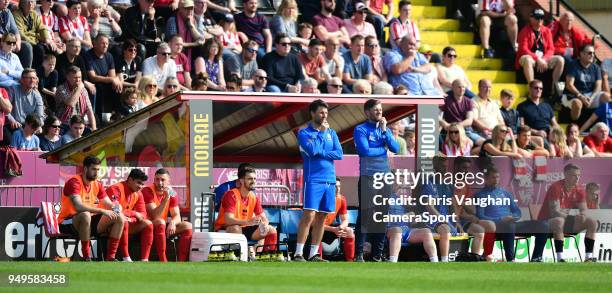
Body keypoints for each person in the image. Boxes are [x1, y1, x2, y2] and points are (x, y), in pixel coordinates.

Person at [294, 99, 343, 262]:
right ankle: (298, 253)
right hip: (313, 179)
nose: (324, 116)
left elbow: (339, 154)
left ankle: (314, 254)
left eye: (326, 113)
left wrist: (321, 152)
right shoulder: (304, 133)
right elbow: (312, 150)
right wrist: (322, 133)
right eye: (321, 113)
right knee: (309, 215)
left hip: (330, 180)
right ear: (313, 113)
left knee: (322, 217)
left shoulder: (332, 133)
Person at [354, 99, 399, 261]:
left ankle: (377, 255)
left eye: (380, 109)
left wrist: (386, 131)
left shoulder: (384, 130)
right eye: (375, 110)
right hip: (368, 177)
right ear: (367, 112)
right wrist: (382, 148)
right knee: (366, 214)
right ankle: (359, 253)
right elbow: (365, 151)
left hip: (384, 177)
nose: (379, 112)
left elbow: (396, 148)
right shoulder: (360, 129)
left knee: (381, 215)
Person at [57, 155, 125, 261]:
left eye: (98, 170)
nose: (96, 173)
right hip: (67, 222)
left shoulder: (97, 184)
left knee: (119, 217)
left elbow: (107, 203)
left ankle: (111, 257)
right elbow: (78, 206)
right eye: (93, 169)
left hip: (87, 222)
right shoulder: (74, 182)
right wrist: (102, 210)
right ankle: (86, 257)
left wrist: (116, 207)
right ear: (85, 169)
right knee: (85, 214)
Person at [475, 167, 548, 262]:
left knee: (542, 225)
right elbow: (481, 216)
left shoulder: (505, 193)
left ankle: (536, 258)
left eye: (497, 177)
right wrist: (501, 219)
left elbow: (517, 211)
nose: (496, 179)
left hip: (512, 224)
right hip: (496, 227)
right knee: (509, 225)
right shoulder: (480, 195)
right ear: (486, 179)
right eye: (493, 177)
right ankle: (511, 260)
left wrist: (514, 217)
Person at [214, 167, 277, 260]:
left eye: (255, 179)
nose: (253, 181)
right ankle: (237, 256)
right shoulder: (231, 194)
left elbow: (264, 217)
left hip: (245, 228)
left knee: (271, 230)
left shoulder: (254, 197)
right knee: (235, 228)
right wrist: (248, 222)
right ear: (242, 181)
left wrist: (264, 224)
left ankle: (267, 256)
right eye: (250, 179)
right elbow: (228, 220)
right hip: (225, 228)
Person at [538, 163, 598, 262]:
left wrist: (582, 215)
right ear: (565, 175)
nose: (577, 178)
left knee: (592, 222)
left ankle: (588, 257)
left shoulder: (579, 189)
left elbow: (584, 209)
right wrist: (573, 218)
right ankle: (560, 258)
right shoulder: (556, 187)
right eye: (574, 175)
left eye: (578, 175)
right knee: (559, 221)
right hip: (545, 222)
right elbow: (555, 212)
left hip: (566, 220)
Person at [143, 168, 193, 261]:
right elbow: (155, 215)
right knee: (160, 221)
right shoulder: (147, 191)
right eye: (157, 179)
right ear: (154, 180)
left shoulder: (172, 193)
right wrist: (166, 198)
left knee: (188, 225)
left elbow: (177, 215)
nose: (160, 182)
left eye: (163, 180)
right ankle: (163, 259)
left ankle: (182, 262)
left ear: (168, 181)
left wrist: (173, 222)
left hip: (161, 225)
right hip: (147, 225)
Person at [106, 169, 153, 262]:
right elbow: (115, 210)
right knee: (123, 220)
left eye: (142, 184)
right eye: (138, 183)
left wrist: (132, 219)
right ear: (130, 180)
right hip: (106, 222)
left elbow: (143, 214)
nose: (140, 186)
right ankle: (126, 257)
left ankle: (144, 260)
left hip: (123, 222)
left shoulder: (139, 193)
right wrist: (134, 213)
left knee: (148, 224)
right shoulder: (115, 188)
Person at [516, 9, 564, 95]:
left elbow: (551, 49)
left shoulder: (546, 31)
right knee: (527, 59)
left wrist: (544, 59)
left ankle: (554, 87)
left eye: (542, 18)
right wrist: (538, 59)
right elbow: (523, 49)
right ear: (531, 18)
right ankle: (532, 88)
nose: (540, 20)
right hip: (530, 57)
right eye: (537, 18)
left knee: (560, 59)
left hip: (543, 59)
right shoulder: (525, 31)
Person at [563, 44, 610, 121]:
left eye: (593, 53)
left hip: (590, 95)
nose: (592, 55)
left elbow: (598, 86)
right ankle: (573, 125)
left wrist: (592, 97)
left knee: (607, 97)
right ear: (581, 54)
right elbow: (569, 85)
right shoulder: (573, 65)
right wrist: (581, 96)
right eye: (589, 53)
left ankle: (604, 124)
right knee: (577, 103)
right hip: (573, 94)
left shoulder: (596, 67)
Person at [439, 79, 485, 146]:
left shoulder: (468, 101)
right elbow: (437, 116)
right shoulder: (446, 100)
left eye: (463, 87)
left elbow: (469, 120)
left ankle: (472, 154)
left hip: (466, 130)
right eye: (459, 87)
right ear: (453, 88)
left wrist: (456, 126)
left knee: (484, 143)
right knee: (469, 143)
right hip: (452, 132)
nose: (462, 89)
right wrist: (445, 124)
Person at [84, 34, 122, 114]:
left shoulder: (109, 56)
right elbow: (92, 77)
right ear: (95, 44)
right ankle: (99, 118)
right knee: (99, 88)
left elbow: (112, 75)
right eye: (102, 43)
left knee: (118, 86)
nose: (105, 46)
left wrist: (115, 80)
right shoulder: (88, 55)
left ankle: (117, 114)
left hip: (105, 82)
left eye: (107, 44)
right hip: (93, 84)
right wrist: (112, 79)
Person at [320, 177, 354, 261]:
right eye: (335, 186)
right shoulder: (320, 198)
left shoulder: (341, 199)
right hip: (318, 229)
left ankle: (350, 261)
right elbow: (314, 224)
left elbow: (345, 220)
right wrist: (333, 229)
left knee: (349, 231)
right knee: (317, 231)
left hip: (332, 228)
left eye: (339, 186)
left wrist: (341, 227)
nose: (337, 189)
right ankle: (317, 258)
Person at [14, 0, 55, 67]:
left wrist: (47, 39)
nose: (30, 4)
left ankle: (48, 72)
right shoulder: (16, 15)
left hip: (35, 40)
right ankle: (35, 73)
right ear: (22, 3)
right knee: (39, 49)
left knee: (51, 48)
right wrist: (34, 42)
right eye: (28, 2)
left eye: (32, 2)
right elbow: (20, 34)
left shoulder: (34, 14)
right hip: (26, 41)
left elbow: (42, 28)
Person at [55, 66, 96, 130]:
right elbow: (71, 103)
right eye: (75, 78)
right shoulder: (61, 89)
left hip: (80, 125)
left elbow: (89, 110)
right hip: (64, 124)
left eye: (79, 77)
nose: (78, 80)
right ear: (68, 77)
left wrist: (94, 128)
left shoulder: (83, 90)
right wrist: (79, 88)